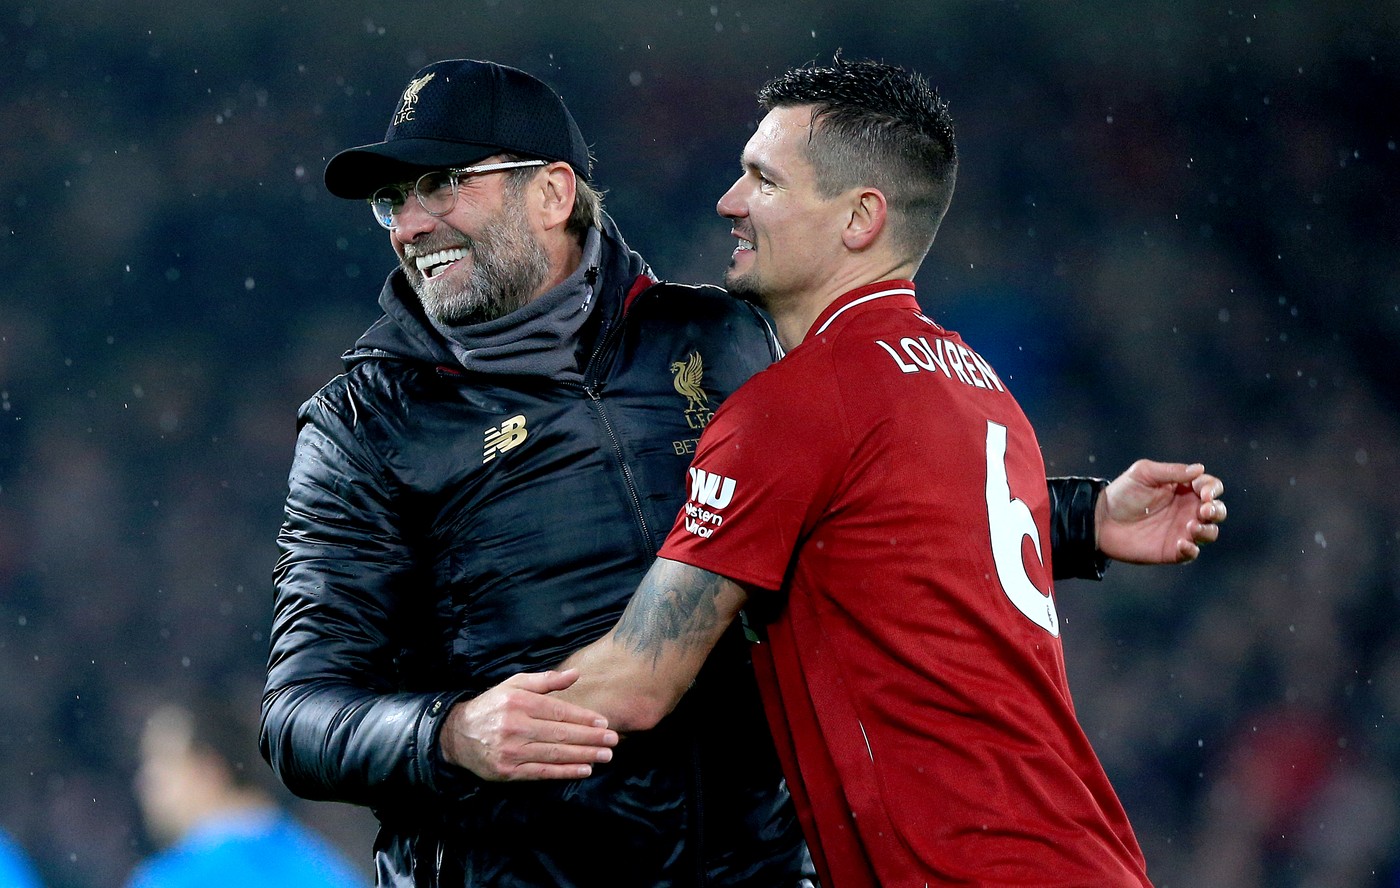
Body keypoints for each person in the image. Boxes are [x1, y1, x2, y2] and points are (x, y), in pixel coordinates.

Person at [260, 57, 1222, 887]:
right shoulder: (363, 423)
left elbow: (842, 510)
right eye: (394, 201)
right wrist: (450, 733)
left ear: (551, 193)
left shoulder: (723, 342)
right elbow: (299, 714)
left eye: (441, 186)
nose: (409, 225)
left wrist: (1077, 518)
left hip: (754, 870)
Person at [544, 57, 1228, 888]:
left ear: (860, 217)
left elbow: (636, 682)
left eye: (762, 180)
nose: (730, 201)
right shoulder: (978, 388)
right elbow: (906, 538)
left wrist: (425, 727)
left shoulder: (795, 406)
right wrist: (1085, 516)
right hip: (1079, 859)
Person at [127, 699, 361, 888]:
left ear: (206, 771)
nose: (145, 782)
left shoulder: (172, 880)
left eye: (161, 763)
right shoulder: (325, 867)